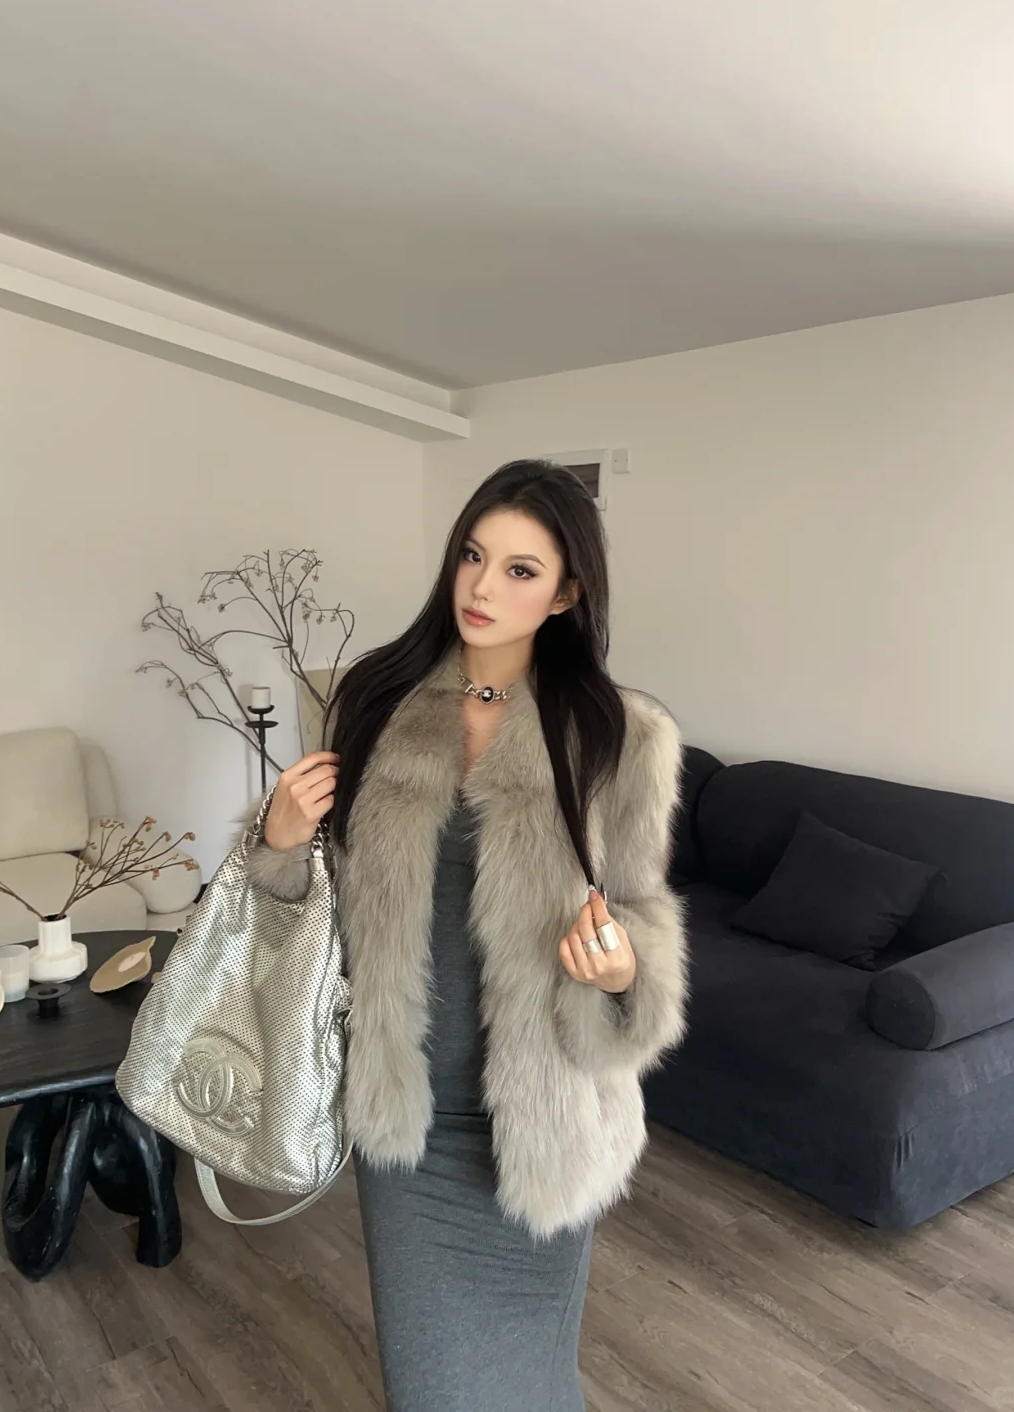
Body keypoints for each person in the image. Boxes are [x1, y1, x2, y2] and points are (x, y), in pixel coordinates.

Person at [241, 458, 690, 1412]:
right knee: (433, 1389)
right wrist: (276, 843)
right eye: (473, 557)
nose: (483, 587)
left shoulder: (622, 736)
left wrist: (625, 973)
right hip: (408, 1118)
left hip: (550, 1115)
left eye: (521, 570)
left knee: (534, 1376)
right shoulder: (374, 700)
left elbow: (642, 910)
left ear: (566, 594)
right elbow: (313, 896)